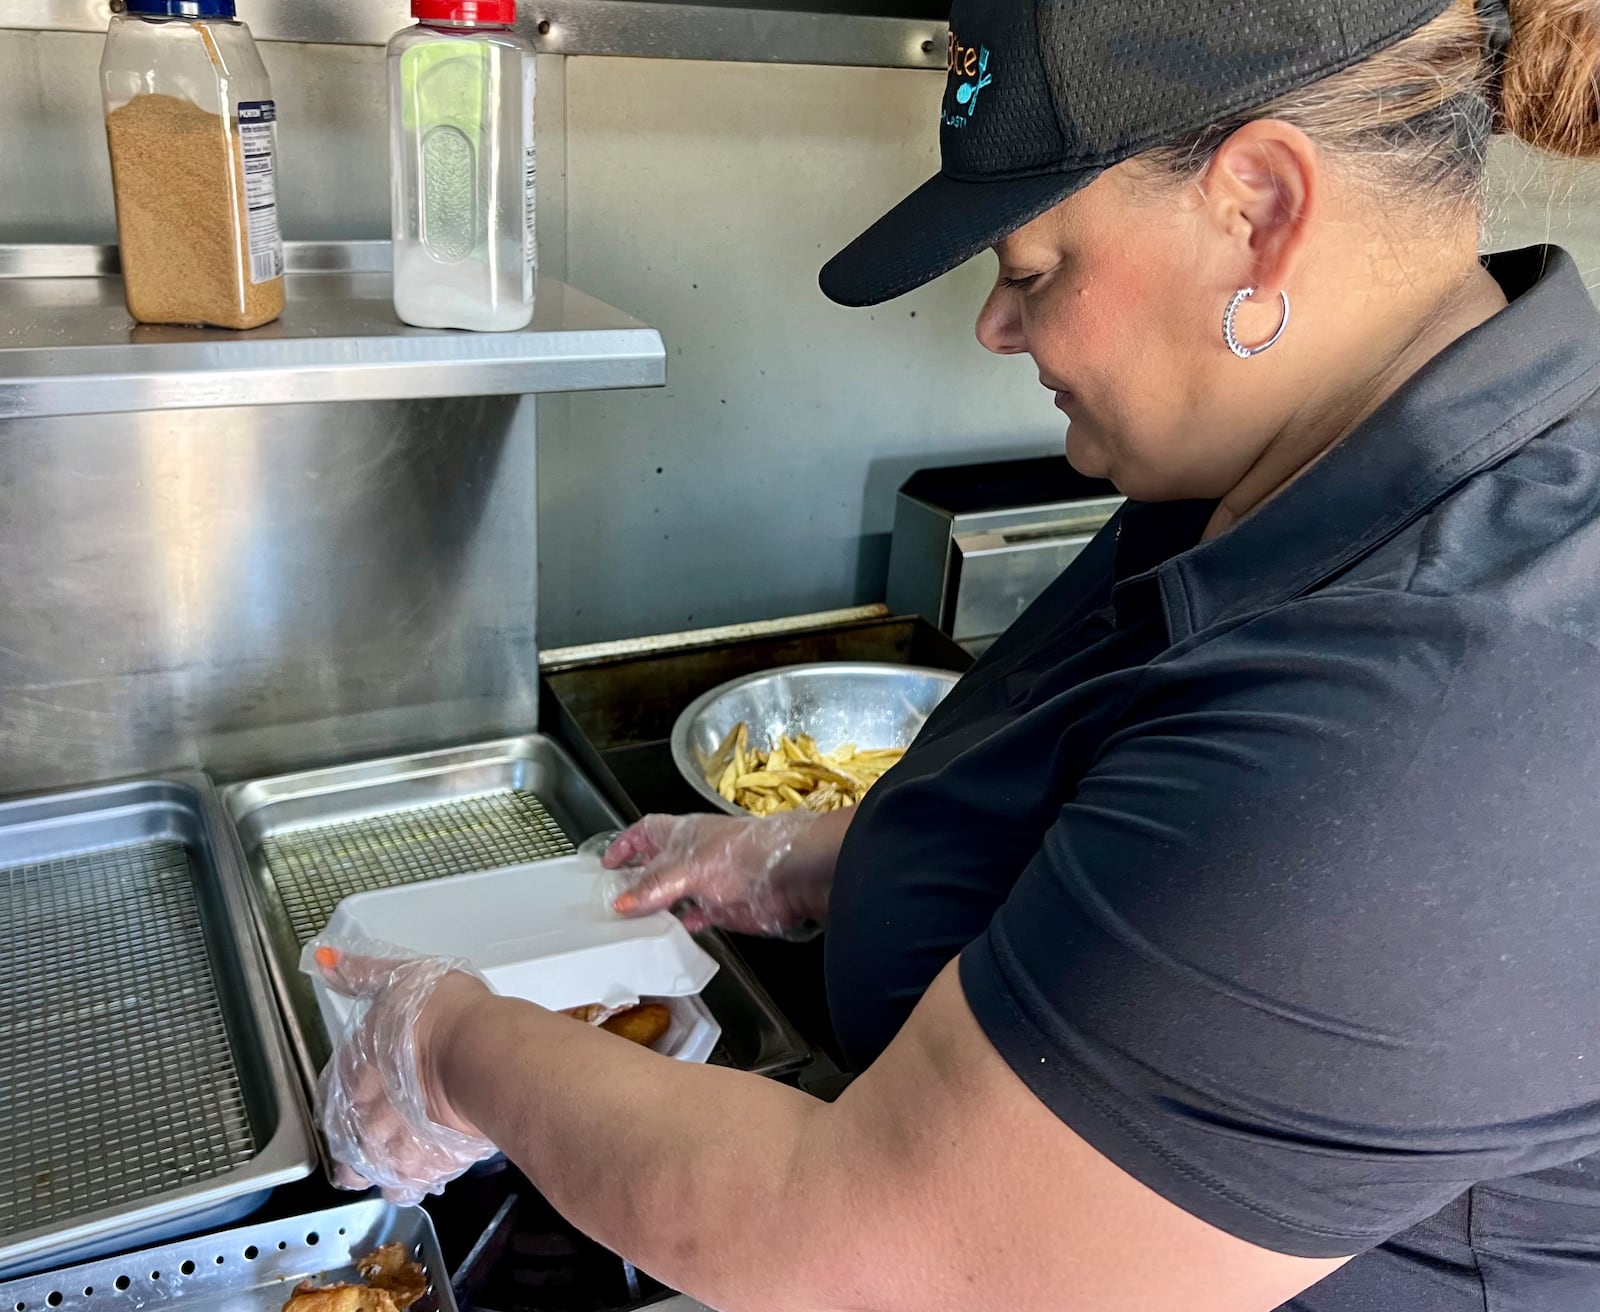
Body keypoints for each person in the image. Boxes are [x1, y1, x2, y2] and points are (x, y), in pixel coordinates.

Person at [309, 0, 1600, 1307]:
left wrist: (450, 1047)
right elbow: (1138, 818)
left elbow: (868, 1244)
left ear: (1261, 208)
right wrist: (828, 858)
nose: (995, 326)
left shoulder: (1439, 716)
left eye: (1033, 270)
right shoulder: (1279, 470)